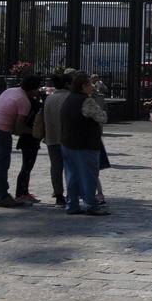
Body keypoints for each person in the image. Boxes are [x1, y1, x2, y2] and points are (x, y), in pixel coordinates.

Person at [0, 75, 41, 208]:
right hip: (1, 132)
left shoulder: (10, 91)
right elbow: (19, 127)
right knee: (2, 166)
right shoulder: (24, 101)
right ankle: (3, 196)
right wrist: (35, 132)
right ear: (33, 89)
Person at [60, 71, 109, 216]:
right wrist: (103, 110)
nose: (92, 86)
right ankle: (91, 204)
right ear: (83, 86)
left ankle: (72, 204)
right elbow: (102, 117)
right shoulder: (86, 100)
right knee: (89, 175)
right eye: (89, 84)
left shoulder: (68, 99)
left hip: (68, 142)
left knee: (72, 176)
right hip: (85, 143)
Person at [37, 71, 71, 206]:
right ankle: (72, 193)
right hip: (68, 138)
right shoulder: (70, 97)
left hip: (51, 137)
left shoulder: (49, 99)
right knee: (71, 167)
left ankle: (58, 194)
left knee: (56, 167)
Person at [11, 78, 44, 204]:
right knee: (26, 166)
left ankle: (24, 191)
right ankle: (20, 193)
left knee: (28, 166)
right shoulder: (28, 102)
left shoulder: (31, 100)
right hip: (28, 138)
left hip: (30, 138)